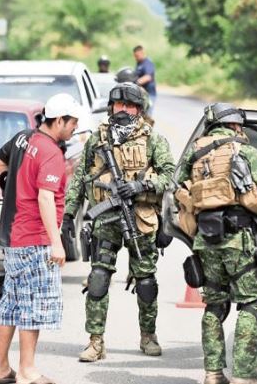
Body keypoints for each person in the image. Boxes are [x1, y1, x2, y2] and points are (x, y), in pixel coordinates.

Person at [62, 82, 174, 362]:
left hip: (142, 219)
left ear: (139, 109)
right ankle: (95, 341)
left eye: (129, 106)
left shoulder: (153, 140)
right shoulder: (97, 139)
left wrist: (140, 187)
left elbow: (170, 176)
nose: (122, 110)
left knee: (146, 281)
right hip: (106, 219)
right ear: (111, 107)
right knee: (98, 279)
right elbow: (79, 179)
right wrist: (68, 213)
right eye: (118, 105)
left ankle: (148, 336)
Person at [175, 103, 257, 384]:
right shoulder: (244, 151)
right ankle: (244, 377)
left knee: (214, 306)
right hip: (239, 240)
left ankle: (213, 373)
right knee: (251, 304)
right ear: (235, 125)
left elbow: (177, 188)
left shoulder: (195, 154)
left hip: (205, 242)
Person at [0, 93, 82, 384]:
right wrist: (57, 243)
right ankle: (27, 371)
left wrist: (18, 182)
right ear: (58, 120)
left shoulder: (23, 137)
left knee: (11, 304)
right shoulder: (52, 153)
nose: (74, 128)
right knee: (33, 306)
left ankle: (1, 369)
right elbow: (45, 197)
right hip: (35, 238)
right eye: (72, 122)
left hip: (13, 236)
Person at [132, 45, 157, 116]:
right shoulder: (139, 63)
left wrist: (135, 83)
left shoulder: (147, 63)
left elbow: (148, 77)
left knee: (147, 116)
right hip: (141, 94)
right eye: (134, 56)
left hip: (149, 94)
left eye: (137, 56)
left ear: (142, 53)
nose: (135, 58)